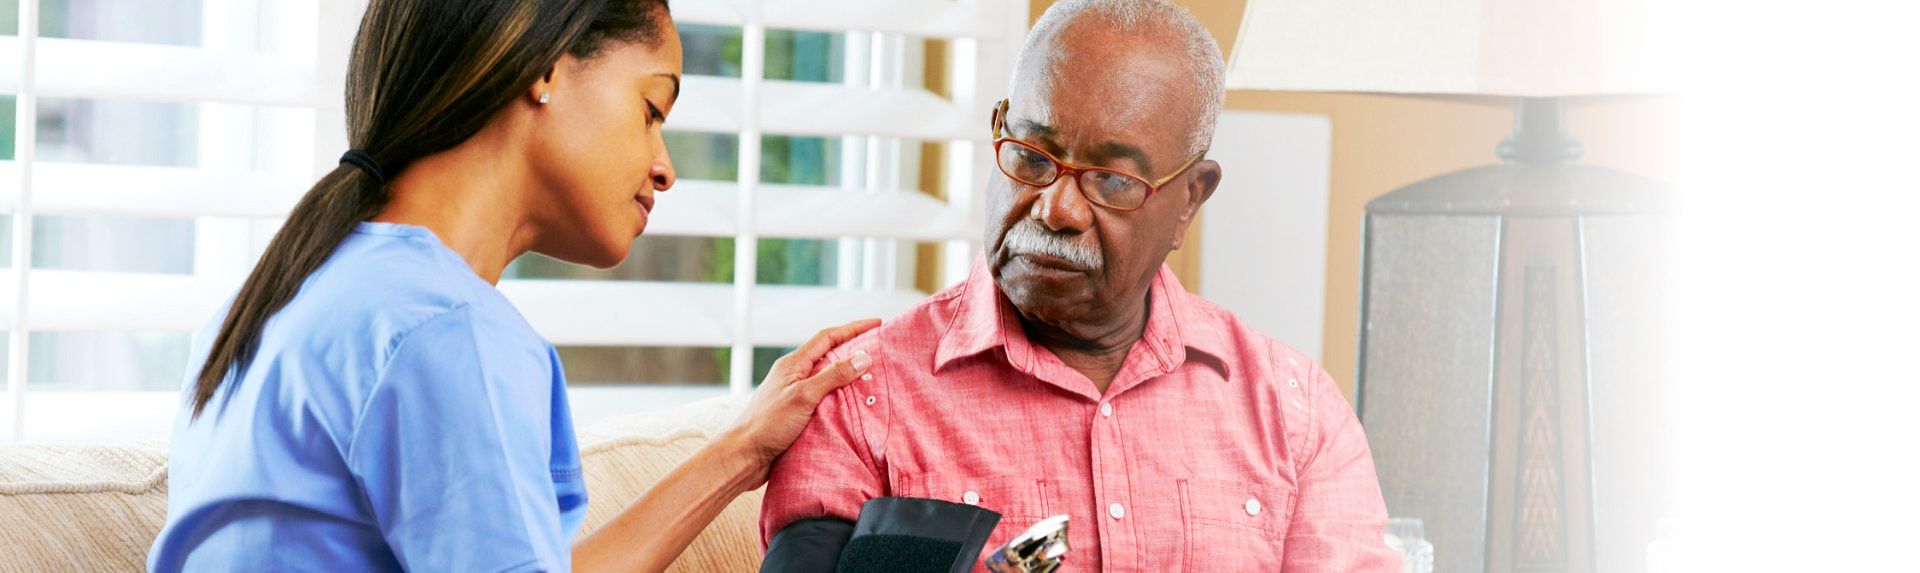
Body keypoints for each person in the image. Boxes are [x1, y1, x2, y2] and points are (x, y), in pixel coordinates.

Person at [147, 1, 878, 571]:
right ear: (547, 69)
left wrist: (744, 450)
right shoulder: (444, 329)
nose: (664, 165)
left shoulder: (279, 300)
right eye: (652, 109)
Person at [759, 0, 1398, 571]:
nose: (1056, 209)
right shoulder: (857, 399)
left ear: (1189, 201)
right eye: (1032, 157)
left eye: (1113, 180)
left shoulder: (1295, 415)